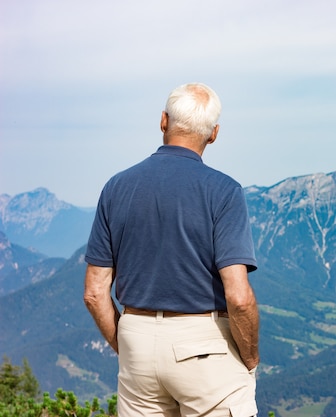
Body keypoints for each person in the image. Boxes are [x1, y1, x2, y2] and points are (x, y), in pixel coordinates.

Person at [83, 82, 259, 417]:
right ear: (214, 134)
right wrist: (250, 357)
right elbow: (238, 296)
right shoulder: (224, 191)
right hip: (204, 347)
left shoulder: (116, 187)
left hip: (136, 340)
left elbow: (94, 292)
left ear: (163, 121)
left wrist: (129, 345)